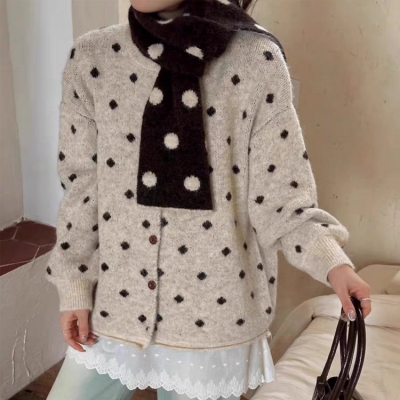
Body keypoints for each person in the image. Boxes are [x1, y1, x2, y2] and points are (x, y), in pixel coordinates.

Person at [45, 0, 371, 399]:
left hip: (215, 321)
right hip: (113, 307)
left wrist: (333, 264)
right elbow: (82, 188)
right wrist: (75, 284)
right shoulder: (93, 58)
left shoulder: (256, 61)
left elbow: (282, 200)